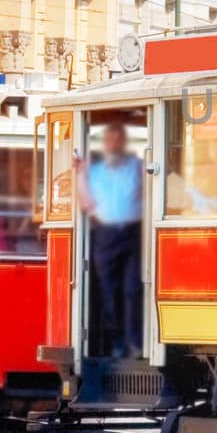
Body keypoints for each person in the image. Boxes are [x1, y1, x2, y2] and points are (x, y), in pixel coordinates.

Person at [76, 123, 144, 359]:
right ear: (105, 144)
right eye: (110, 140)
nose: (114, 144)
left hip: (135, 232)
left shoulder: (137, 166)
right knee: (109, 292)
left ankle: (135, 343)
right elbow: (86, 203)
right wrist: (79, 175)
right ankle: (117, 344)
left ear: (123, 142)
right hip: (106, 234)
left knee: (133, 289)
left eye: (118, 139)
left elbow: (150, 190)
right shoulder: (94, 171)